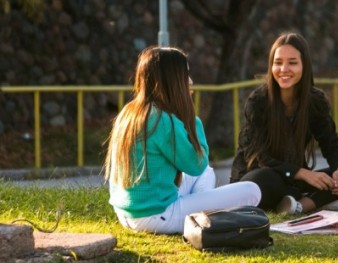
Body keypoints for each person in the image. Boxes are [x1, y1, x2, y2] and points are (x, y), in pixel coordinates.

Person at [104, 46, 261, 234]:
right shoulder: (164, 120)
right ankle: (200, 221)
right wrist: (193, 121)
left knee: (206, 174)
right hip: (157, 217)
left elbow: (198, 171)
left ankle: (199, 218)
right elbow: (197, 163)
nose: (191, 82)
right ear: (172, 81)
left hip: (126, 215)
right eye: (186, 75)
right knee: (252, 191)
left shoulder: (129, 113)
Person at [230, 32, 338, 214]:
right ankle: (310, 199)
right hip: (256, 179)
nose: (284, 69)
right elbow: (258, 157)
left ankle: (300, 206)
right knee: (262, 179)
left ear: (305, 66)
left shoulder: (315, 102)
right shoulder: (258, 101)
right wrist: (303, 173)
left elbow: (332, 144)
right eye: (278, 63)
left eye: (292, 63)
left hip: (292, 181)